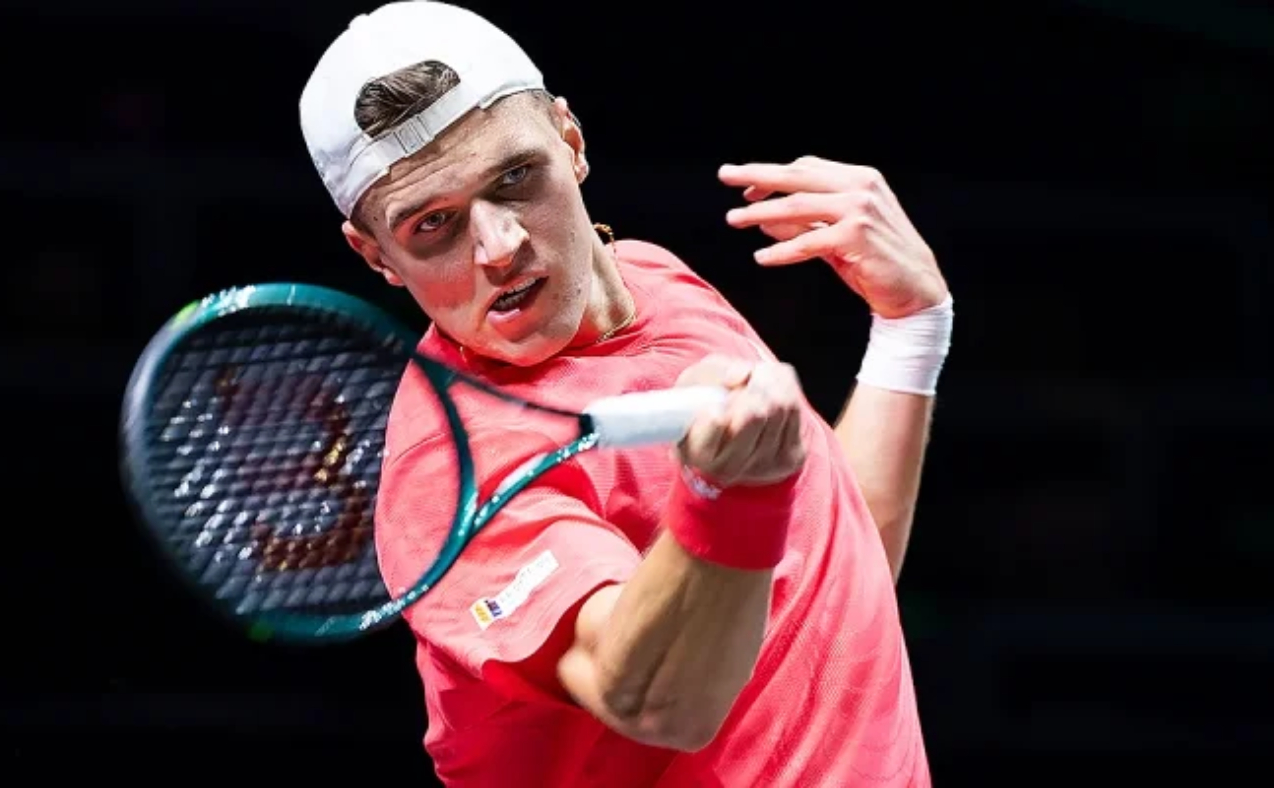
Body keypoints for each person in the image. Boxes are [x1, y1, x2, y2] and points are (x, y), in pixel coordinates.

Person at [299, 2, 953, 785]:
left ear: (570, 141)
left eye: (515, 178)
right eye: (433, 224)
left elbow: (832, 574)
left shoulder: (653, 277)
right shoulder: (452, 469)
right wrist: (722, 495)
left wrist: (911, 328)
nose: (500, 247)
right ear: (375, 255)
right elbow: (653, 700)